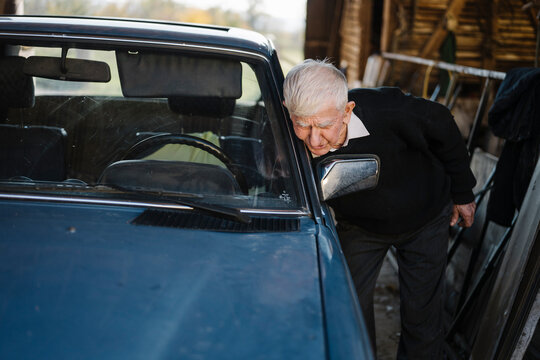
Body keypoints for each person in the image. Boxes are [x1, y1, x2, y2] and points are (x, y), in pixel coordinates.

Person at [283, 59, 477, 359]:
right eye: (302, 125)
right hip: (360, 225)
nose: (314, 139)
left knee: (421, 316)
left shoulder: (389, 110)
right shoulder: (289, 136)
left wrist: (463, 193)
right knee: (347, 308)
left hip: (424, 215)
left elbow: (441, 121)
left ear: (347, 110)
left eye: (324, 125)